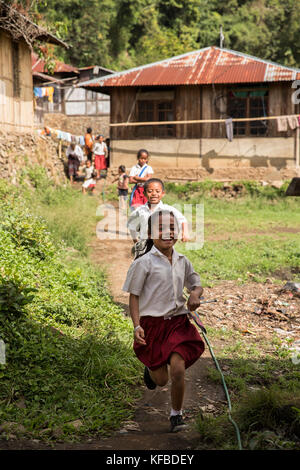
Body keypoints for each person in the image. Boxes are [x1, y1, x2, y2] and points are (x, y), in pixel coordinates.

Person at [122, 209, 205, 433]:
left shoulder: (182, 261)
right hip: (152, 326)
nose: (168, 233)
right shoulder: (143, 263)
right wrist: (137, 325)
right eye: (161, 229)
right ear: (149, 234)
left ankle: (176, 416)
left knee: (178, 370)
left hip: (177, 323)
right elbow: (134, 296)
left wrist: (195, 295)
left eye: (172, 228)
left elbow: (195, 283)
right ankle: (150, 369)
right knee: (161, 380)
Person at [127, 178, 189, 258]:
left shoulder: (168, 209)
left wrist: (185, 233)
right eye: (150, 191)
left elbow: (182, 219)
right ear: (144, 193)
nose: (154, 194)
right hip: (144, 248)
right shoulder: (140, 211)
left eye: (157, 191)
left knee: (165, 266)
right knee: (143, 267)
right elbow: (132, 226)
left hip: (164, 246)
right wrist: (136, 241)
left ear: (163, 193)